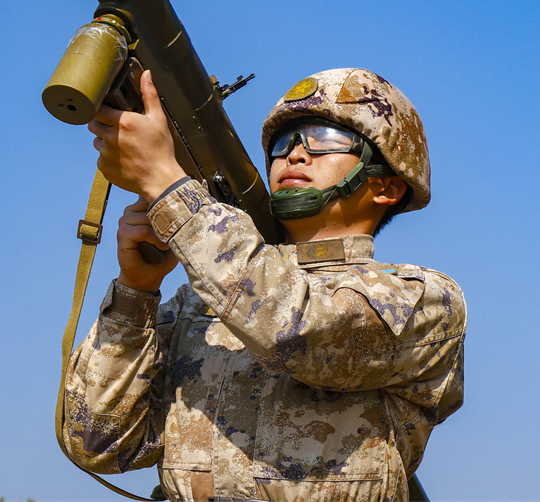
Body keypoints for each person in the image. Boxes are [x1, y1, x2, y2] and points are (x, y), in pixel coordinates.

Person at [62, 67, 466, 502]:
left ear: (386, 186)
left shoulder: (423, 300)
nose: (295, 154)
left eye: (324, 139)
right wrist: (135, 292)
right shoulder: (196, 307)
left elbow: (294, 330)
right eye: (283, 143)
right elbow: (97, 441)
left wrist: (166, 184)